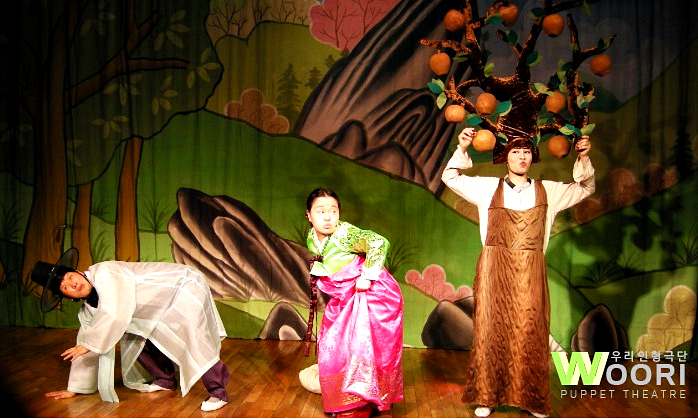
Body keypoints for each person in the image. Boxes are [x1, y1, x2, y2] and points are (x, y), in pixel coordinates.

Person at [441, 128, 595, 418]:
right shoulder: (487, 188)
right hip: (493, 268)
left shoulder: (549, 191)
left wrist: (583, 157)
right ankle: (487, 395)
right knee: (491, 329)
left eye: (526, 152)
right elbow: (450, 177)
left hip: (530, 269)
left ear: (532, 157)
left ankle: (532, 398)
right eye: (515, 152)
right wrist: (462, 147)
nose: (521, 157)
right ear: (506, 157)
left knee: (530, 330)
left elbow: (586, 187)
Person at [30, 248, 231, 412]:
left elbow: (114, 313)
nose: (72, 284)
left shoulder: (106, 272)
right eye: (65, 287)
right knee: (135, 336)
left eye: (69, 277)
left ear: (78, 271)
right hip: (155, 302)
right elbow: (85, 341)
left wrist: (90, 344)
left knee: (194, 336)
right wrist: (74, 388)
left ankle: (218, 392)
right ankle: (165, 379)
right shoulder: (88, 309)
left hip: (183, 285)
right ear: (67, 297)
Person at [303, 188, 404, 418]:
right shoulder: (311, 237)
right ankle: (346, 401)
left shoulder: (344, 233)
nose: (327, 217)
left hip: (373, 295)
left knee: (361, 349)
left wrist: (367, 276)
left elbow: (378, 242)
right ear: (309, 215)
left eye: (333, 211)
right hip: (346, 298)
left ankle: (359, 406)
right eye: (320, 211)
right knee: (333, 347)